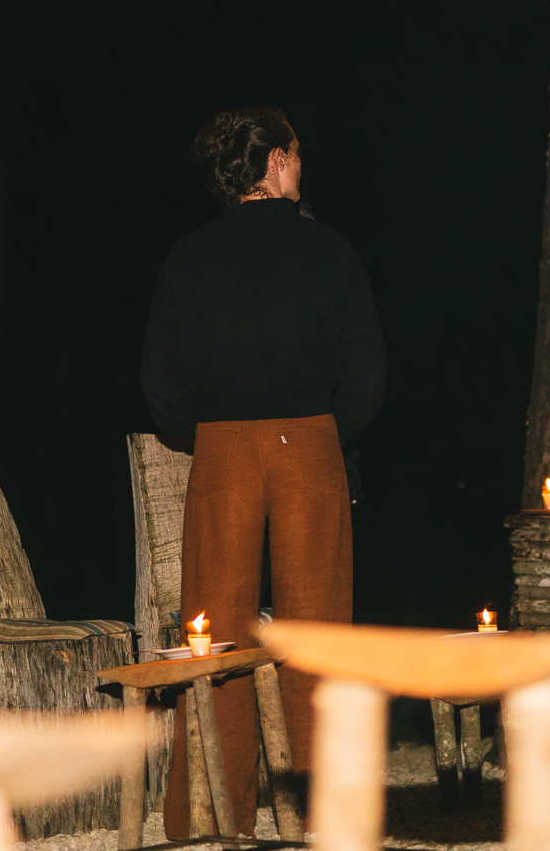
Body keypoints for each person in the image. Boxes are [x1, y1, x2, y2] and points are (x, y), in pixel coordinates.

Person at [141, 107, 386, 837]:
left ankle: (212, 814)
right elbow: (368, 374)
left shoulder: (188, 254)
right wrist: (325, 432)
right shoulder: (329, 249)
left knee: (214, 636)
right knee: (317, 629)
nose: (301, 166)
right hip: (308, 441)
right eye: (296, 154)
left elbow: (159, 381)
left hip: (222, 446)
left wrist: (204, 433)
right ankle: (321, 811)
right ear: (276, 161)